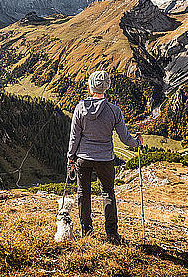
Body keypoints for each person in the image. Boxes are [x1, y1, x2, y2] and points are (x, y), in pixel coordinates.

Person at [67, 70, 143, 244]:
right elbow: (125, 138)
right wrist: (137, 142)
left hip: (83, 158)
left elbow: (74, 137)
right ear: (107, 87)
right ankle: (112, 233)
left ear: (90, 85)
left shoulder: (80, 108)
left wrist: (70, 158)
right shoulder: (114, 111)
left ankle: (86, 231)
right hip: (105, 159)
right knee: (108, 192)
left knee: (83, 193)